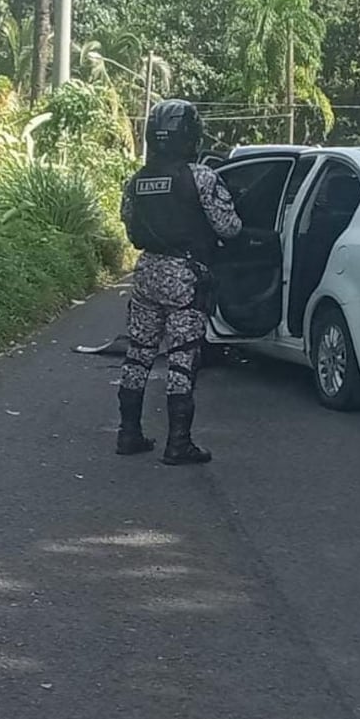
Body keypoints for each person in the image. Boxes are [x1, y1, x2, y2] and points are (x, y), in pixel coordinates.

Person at [116, 99, 243, 465]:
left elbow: (130, 227)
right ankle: (178, 442)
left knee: (138, 353)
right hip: (185, 276)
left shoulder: (136, 182)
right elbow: (229, 227)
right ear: (189, 135)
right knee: (182, 357)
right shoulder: (201, 177)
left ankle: (128, 434)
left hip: (146, 273)